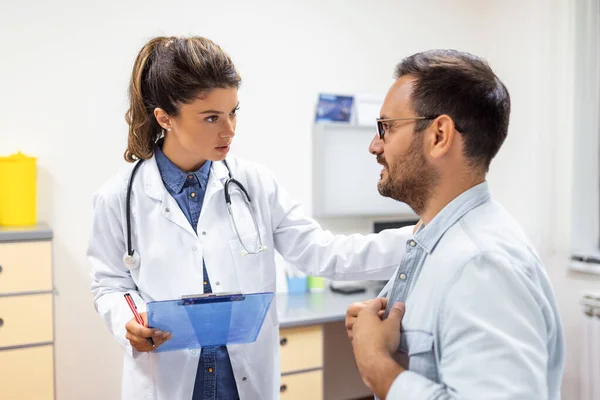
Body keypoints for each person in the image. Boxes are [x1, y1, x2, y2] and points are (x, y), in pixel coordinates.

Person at [87, 36, 413, 400]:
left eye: (233, 112)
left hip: (242, 384)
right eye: (211, 117)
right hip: (169, 382)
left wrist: (420, 237)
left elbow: (322, 251)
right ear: (165, 118)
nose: (229, 130)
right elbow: (110, 284)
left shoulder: (255, 184)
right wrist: (129, 321)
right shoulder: (119, 197)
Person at [345, 49, 564, 400]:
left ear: (439, 135)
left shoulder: (481, 264)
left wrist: (378, 366)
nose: (375, 145)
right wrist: (379, 334)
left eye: (385, 128)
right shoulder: (438, 243)